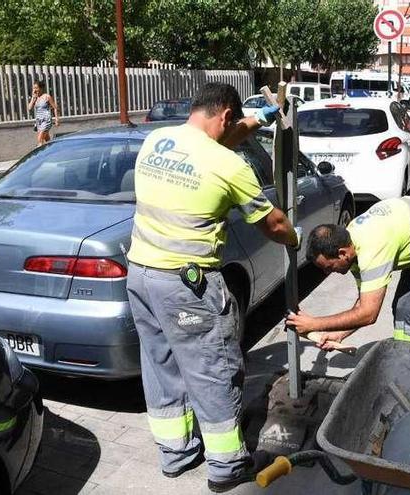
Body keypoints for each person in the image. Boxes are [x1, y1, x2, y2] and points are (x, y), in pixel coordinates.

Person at [125, 83, 298, 493]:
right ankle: (227, 464)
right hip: (187, 286)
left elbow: (214, 147)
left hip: (141, 275)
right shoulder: (230, 167)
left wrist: (261, 119)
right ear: (224, 115)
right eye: (233, 121)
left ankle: (175, 453)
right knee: (212, 369)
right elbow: (272, 224)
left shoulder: (158, 139)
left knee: (161, 365)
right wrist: (294, 237)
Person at [286, 197, 410, 348]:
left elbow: (368, 314)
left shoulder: (372, 247)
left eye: (328, 267)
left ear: (342, 253)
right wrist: (339, 334)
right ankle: (408, 354)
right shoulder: (352, 241)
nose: (328, 273)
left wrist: (314, 324)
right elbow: (363, 304)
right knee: (401, 305)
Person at [28, 80, 59, 146]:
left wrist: (57, 119)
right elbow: (29, 108)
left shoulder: (47, 97)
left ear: (41, 88)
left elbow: (55, 108)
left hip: (46, 120)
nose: (35, 90)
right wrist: (33, 98)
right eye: (34, 88)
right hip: (39, 121)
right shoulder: (35, 98)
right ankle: (53, 149)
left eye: (36, 88)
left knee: (40, 139)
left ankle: (39, 153)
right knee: (47, 140)